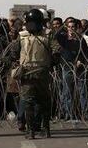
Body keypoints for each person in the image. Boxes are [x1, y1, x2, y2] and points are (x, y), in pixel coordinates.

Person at [11, 9, 60, 139]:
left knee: (28, 103)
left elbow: (14, 53)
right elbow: (56, 52)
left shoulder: (22, 36)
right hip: (43, 73)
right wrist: (51, 65)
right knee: (44, 102)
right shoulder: (49, 34)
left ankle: (31, 131)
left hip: (27, 73)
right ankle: (46, 129)